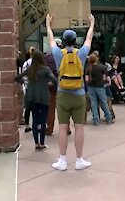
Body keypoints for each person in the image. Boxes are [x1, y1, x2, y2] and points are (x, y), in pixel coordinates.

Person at [48, 13, 94, 171]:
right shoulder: (81, 53)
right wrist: (91, 24)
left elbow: (51, 40)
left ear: (64, 41)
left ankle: (62, 160)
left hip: (62, 94)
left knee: (62, 128)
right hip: (79, 94)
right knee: (79, 127)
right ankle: (79, 160)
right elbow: (89, 39)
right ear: (75, 41)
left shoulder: (58, 54)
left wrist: (48, 25)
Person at [15, 50, 57, 150]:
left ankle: (36, 143)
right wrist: (49, 84)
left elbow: (18, 77)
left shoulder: (30, 69)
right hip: (43, 96)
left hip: (32, 97)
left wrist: (24, 82)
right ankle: (42, 144)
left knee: (34, 120)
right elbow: (54, 80)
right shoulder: (46, 69)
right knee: (42, 121)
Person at [86, 53, 114, 126]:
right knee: (104, 103)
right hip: (100, 87)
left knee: (94, 104)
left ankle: (96, 120)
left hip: (91, 87)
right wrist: (109, 82)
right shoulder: (101, 67)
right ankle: (108, 118)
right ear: (97, 59)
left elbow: (86, 79)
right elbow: (105, 78)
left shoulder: (88, 68)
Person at [45, 38, 63, 136]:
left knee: (51, 108)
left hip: (51, 86)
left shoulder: (47, 57)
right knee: (63, 108)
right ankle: (67, 128)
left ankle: (50, 128)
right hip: (64, 85)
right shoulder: (64, 55)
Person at [21, 47, 35, 133]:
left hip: (27, 86)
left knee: (28, 107)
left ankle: (27, 125)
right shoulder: (36, 63)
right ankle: (37, 124)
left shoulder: (25, 63)